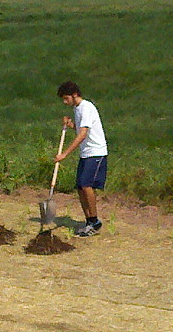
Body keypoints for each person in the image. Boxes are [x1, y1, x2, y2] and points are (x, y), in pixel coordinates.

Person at [55, 81, 108, 237]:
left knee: (86, 185)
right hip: (85, 153)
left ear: (75, 95)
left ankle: (95, 221)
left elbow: (83, 134)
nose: (65, 102)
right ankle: (89, 220)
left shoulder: (87, 108)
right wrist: (70, 124)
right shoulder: (77, 109)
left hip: (96, 153)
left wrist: (64, 154)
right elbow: (80, 129)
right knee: (80, 187)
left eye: (66, 99)